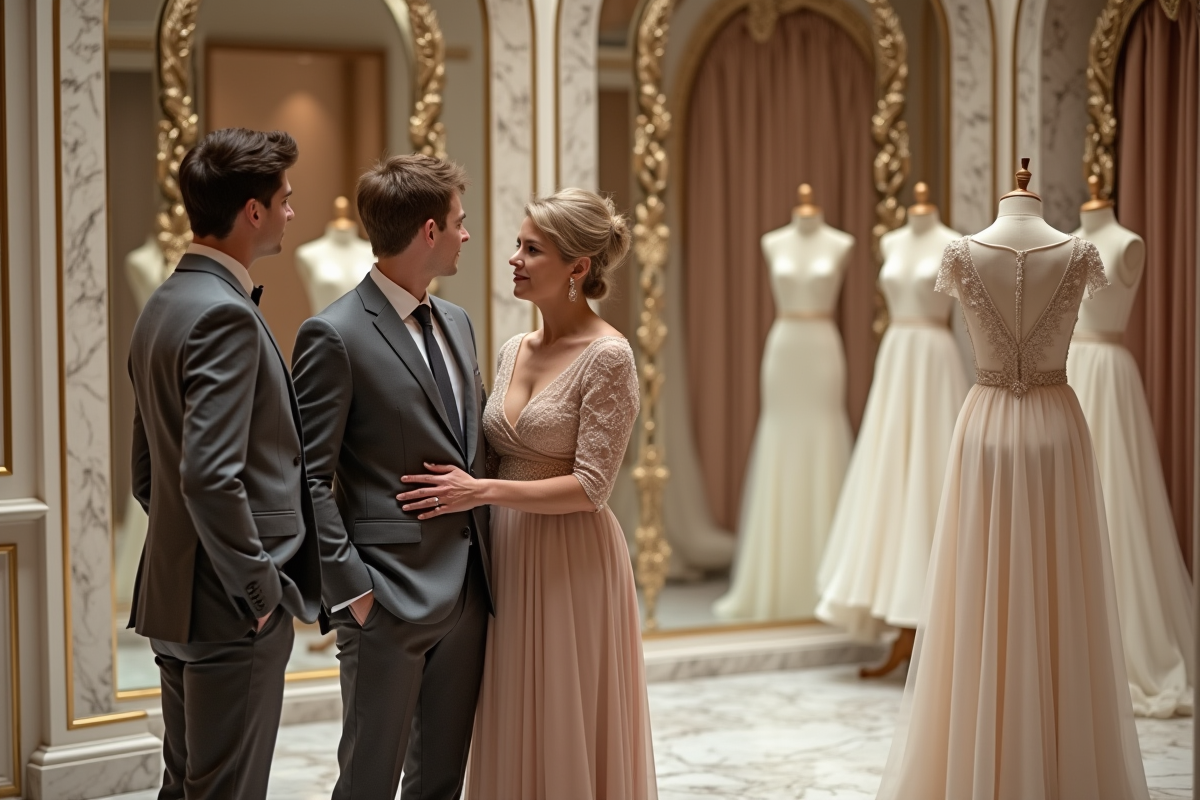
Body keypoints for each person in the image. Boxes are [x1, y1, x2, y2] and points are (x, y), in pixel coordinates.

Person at [399, 188, 658, 799]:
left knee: (563, 712)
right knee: (511, 704)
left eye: (532, 249)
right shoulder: (514, 348)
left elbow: (592, 487)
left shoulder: (609, 356)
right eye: (517, 244)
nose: (513, 258)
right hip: (504, 555)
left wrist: (480, 491)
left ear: (578, 268)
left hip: (571, 559)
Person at [126, 127, 322, 799]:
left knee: (187, 788)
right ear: (254, 211)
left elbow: (146, 475)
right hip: (232, 614)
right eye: (287, 199)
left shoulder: (162, 305)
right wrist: (260, 592)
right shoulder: (224, 315)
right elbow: (207, 476)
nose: (294, 212)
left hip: (177, 602)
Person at [290, 155, 492, 800]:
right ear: (429, 231)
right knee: (368, 784)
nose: (467, 234)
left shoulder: (457, 323)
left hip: (467, 594)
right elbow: (307, 479)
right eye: (460, 222)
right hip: (386, 600)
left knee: (439, 784)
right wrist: (355, 592)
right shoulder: (333, 334)